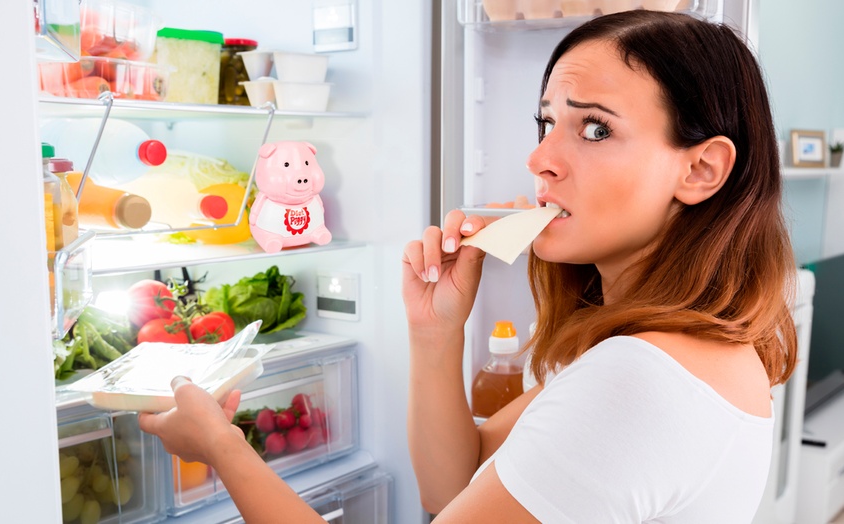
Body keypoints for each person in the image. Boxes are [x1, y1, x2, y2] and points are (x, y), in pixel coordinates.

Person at [139, 9, 797, 523]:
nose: (541, 159)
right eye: (546, 123)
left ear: (701, 169)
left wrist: (223, 446)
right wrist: (436, 334)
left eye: (594, 129)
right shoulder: (666, 346)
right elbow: (452, 484)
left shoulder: (639, 381)